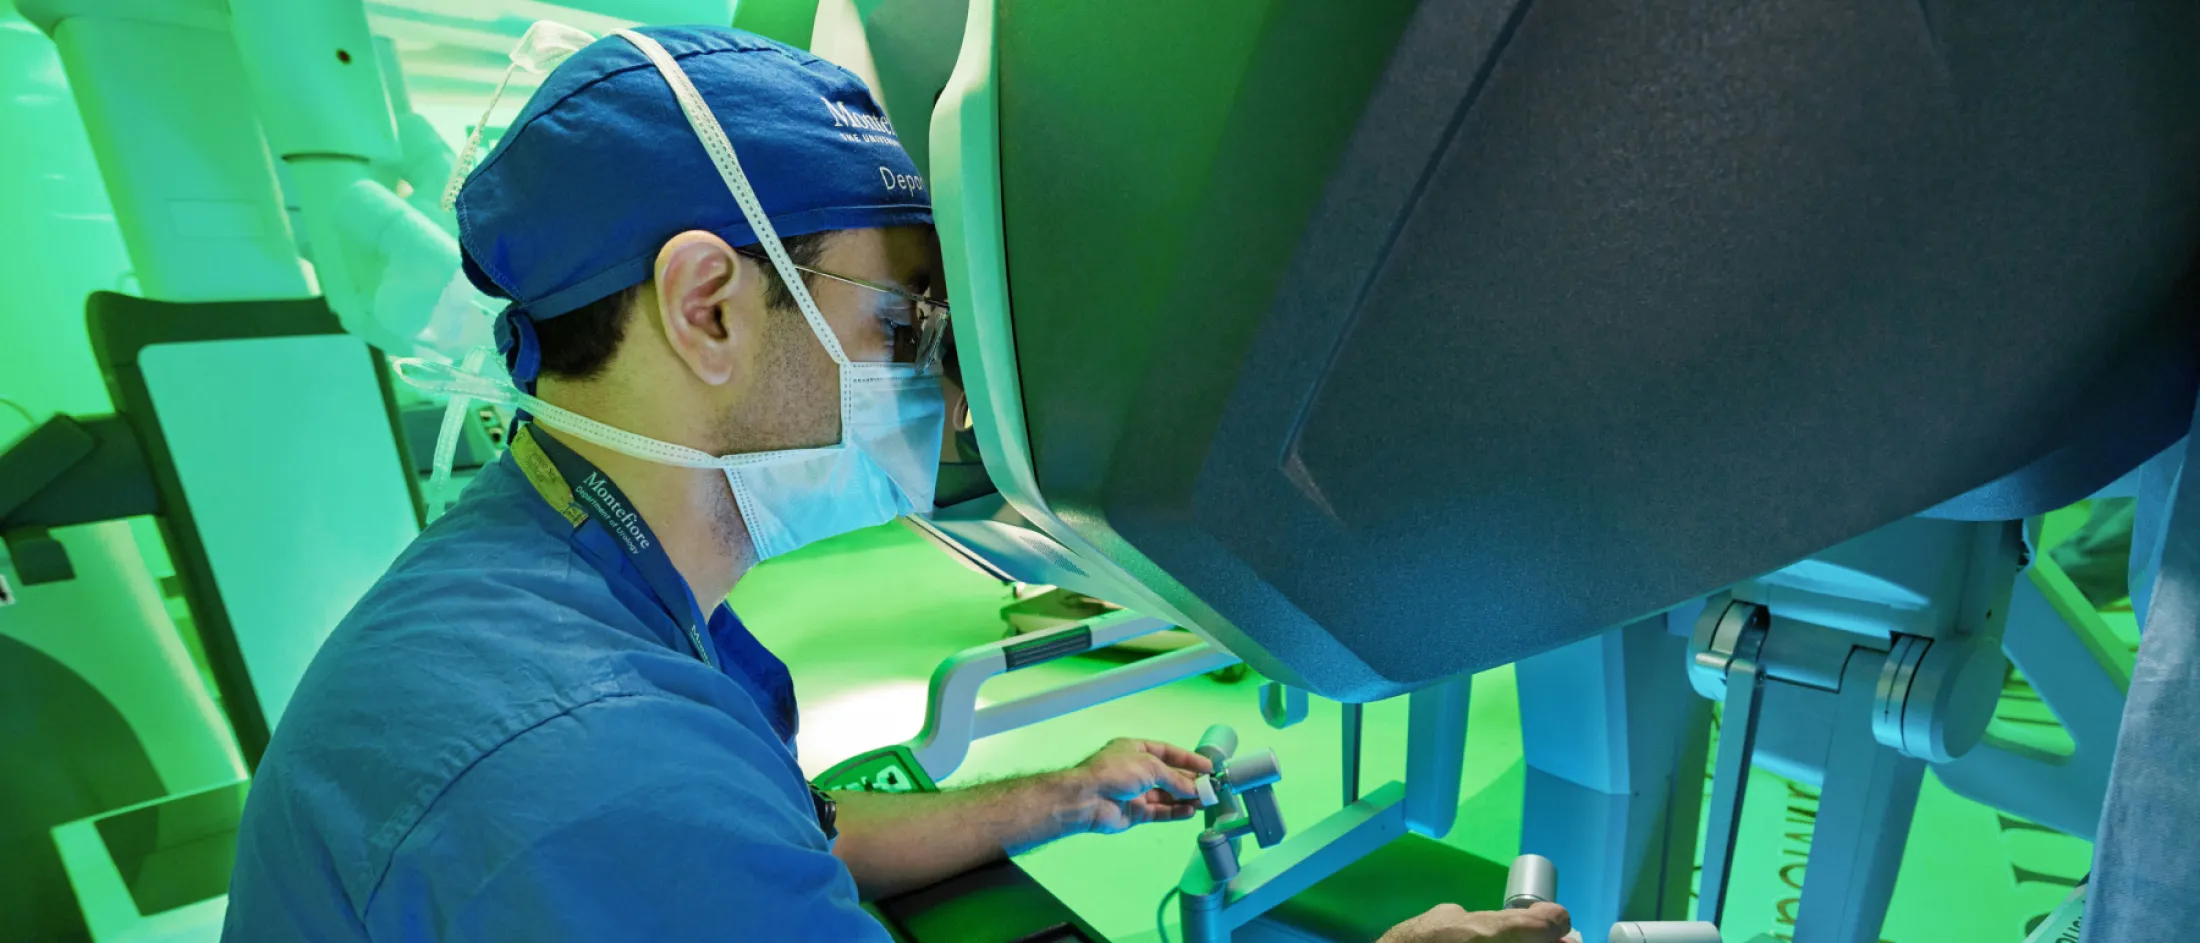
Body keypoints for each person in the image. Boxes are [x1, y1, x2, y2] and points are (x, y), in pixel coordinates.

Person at [222, 25, 1574, 943]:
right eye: (909, 325)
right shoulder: (590, 771)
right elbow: (683, 828)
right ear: (708, 307)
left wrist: (1056, 790)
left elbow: (784, 832)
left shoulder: (555, 573)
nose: (957, 396)